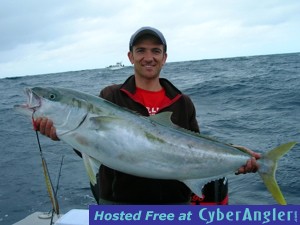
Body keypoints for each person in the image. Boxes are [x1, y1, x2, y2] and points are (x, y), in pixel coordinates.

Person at [34, 26, 260, 204]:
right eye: (141, 50)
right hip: (119, 203)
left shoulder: (182, 102)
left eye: (156, 51)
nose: (148, 57)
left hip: (175, 204)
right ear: (130, 56)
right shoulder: (111, 96)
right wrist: (62, 134)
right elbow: (94, 146)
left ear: (164, 57)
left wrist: (235, 156)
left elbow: (196, 149)